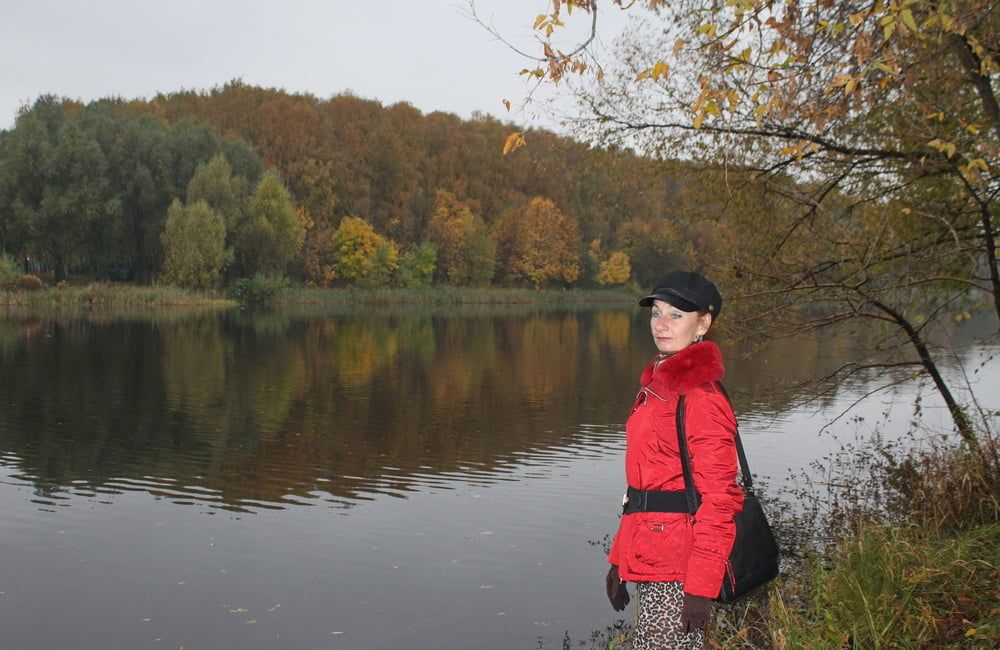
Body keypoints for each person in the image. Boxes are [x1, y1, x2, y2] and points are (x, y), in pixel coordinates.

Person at [605, 271, 744, 649]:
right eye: (657, 313)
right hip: (653, 558)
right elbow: (645, 489)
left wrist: (699, 587)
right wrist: (619, 560)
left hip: (680, 571)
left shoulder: (700, 398)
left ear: (704, 323)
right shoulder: (658, 389)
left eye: (677, 315)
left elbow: (719, 499)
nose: (662, 324)